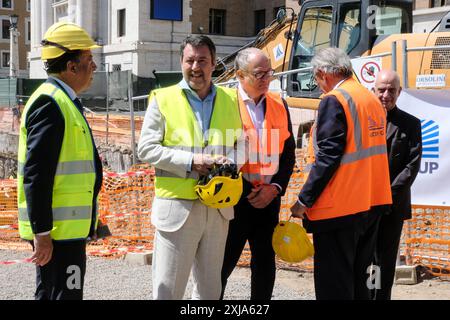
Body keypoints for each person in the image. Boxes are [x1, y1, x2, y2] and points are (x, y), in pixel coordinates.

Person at [137, 35, 242, 300]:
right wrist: (191, 162)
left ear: (214, 63)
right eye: (190, 60)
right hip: (177, 209)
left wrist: (232, 161)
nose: (196, 66)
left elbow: (243, 142)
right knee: (169, 290)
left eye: (202, 60)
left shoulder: (231, 98)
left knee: (210, 291)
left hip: (218, 209)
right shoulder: (163, 98)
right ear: (181, 62)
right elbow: (146, 149)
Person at [290, 47, 392, 300]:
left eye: (316, 79)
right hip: (371, 203)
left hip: (340, 209)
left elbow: (328, 157)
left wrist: (304, 201)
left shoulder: (335, 100)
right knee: (360, 281)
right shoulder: (370, 99)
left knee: (334, 286)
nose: (318, 85)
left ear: (323, 74)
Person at [17, 22, 103, 300]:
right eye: (89, 60)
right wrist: (42, 233)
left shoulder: (65, 101)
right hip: (57, 233)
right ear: (71, 66)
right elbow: (37, 175)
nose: (94, 67)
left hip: (68, 230)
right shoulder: (51, 104)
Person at [220, 48, 296, 300]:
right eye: (259, 73)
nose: (266, 78)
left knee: (264, 264)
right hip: (233, 202)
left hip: (268, 201)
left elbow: (288, 154)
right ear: (240, 75)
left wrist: (274, 189)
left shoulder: (278, 103)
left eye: (269, 72)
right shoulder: (224, 103)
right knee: (221, 265)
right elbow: (216, 153)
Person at [372, 70, 422, 300]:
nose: (386, 95)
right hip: (364, 204)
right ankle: (367, 295)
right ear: (374, 90)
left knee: (385, 259)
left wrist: (386, 196)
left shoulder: (411, 124)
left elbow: (411, 168)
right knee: (366, 259)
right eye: (381, 89)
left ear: (399, 92)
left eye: (391, 90)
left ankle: (381, 297)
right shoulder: (364, 121)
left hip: (393, 206)